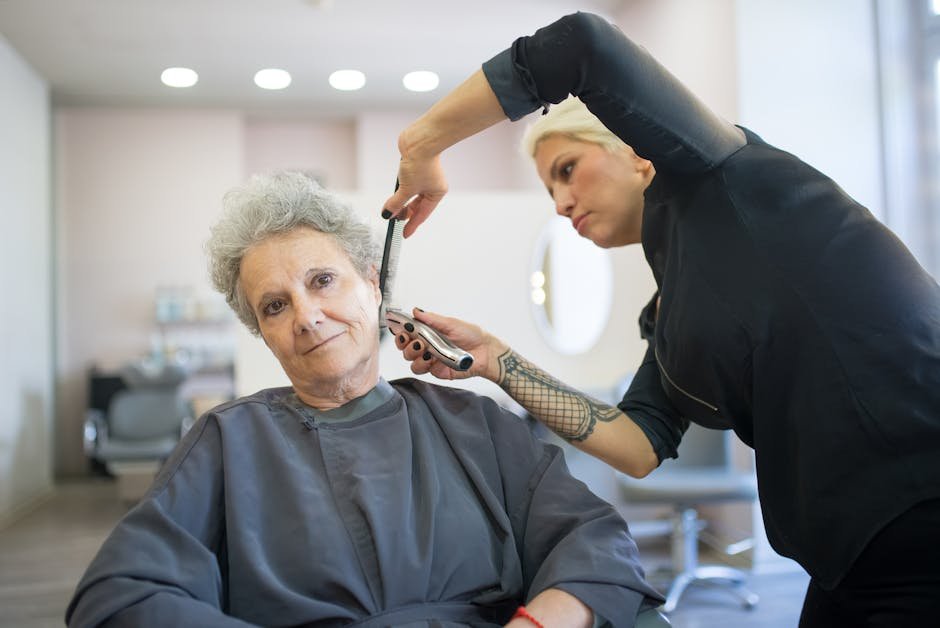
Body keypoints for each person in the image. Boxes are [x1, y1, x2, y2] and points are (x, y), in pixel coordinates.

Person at [381, 11, 940, 627]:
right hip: (851, 554)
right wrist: (495, 359)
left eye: (567, 169)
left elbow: (579, 46)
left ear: (639, 151)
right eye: (549, 191)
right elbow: (639, 443)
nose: (562, 202)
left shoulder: (727, 174)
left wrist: (423, 143)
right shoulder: (670, 313)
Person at [64, 171, 665, 628]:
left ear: (374, 286)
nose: (306, 316)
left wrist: (537, 622)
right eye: (274, 306)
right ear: (263, 333)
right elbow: (120, 594)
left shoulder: (473, 423)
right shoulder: (228, 443)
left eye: (322, 281)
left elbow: (592, 538)